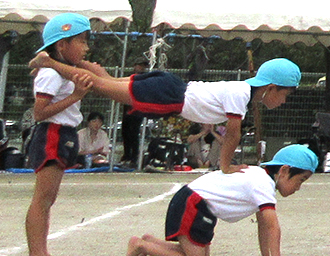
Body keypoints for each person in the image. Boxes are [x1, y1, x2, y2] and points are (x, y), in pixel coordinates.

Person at [29, 54, 301, 174]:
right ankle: (51, 62)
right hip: (169, 96)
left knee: (106, 81)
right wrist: (226, 166)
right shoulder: (241, 94)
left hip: (170, 87)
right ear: (272, 87)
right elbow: (233, 134)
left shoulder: (241, 91)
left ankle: (69, 60)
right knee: (99, 86)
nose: (284, 101)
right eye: (285, 95)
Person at [123, 144, 318, 256]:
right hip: (193, 203)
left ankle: (149, 243)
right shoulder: (263, 183)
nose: (298, 188)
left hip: (198, 205)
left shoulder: (262, 179)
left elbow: (263, 224)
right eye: (300, 180)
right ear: (284, 171)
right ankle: (141, 244)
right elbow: (272, 226)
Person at [25, 13, 92, 256]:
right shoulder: (52, 74)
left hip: (62, 134)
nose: (85, 48)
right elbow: (39, 112)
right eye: (81, 41)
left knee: (48, 200)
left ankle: (42, 254)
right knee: (42, 199)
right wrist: (75, 96)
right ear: (62, 45)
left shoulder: (60, 69)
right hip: (52, 133)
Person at [120, 57, 149, 168]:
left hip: (137, 108)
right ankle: (127, 155)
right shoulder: (131, 77)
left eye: (143, 66)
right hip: (128, 107)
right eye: (139, 65)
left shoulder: (144, 78)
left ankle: (134, 156)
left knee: (134, 132)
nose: (141, 68)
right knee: (125, 131)